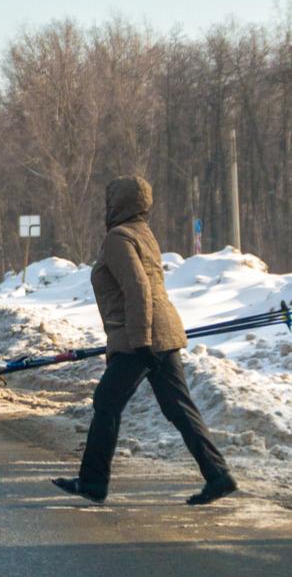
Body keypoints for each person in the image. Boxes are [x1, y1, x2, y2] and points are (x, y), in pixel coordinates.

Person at [52, 175, 237, 506]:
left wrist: (140, 342)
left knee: (106, 403)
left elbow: (137, 287)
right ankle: (218, 474)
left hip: (140, 336)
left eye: (110, 201)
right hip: (161, 333)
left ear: (119, 204)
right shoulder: (143, 233)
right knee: (179, 408)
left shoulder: (118, 238)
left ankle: (93, 483)